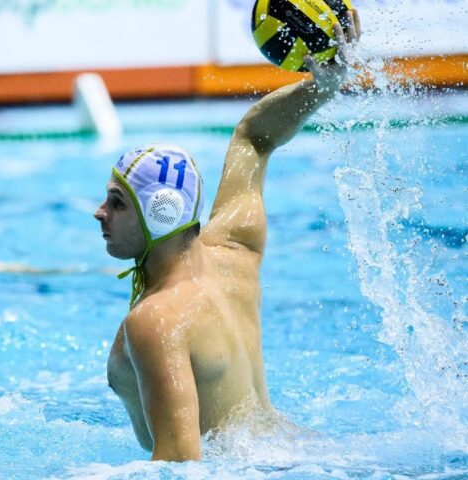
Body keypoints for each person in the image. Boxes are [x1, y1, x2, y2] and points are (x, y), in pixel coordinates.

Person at [96, 14, 361, 461]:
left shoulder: (157, 320)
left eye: (117, 202)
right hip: (303, 450)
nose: (99, 212)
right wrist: (325, 85)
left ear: (160, 214)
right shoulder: (234, 251)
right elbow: (254, 137)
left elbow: (179, 464)